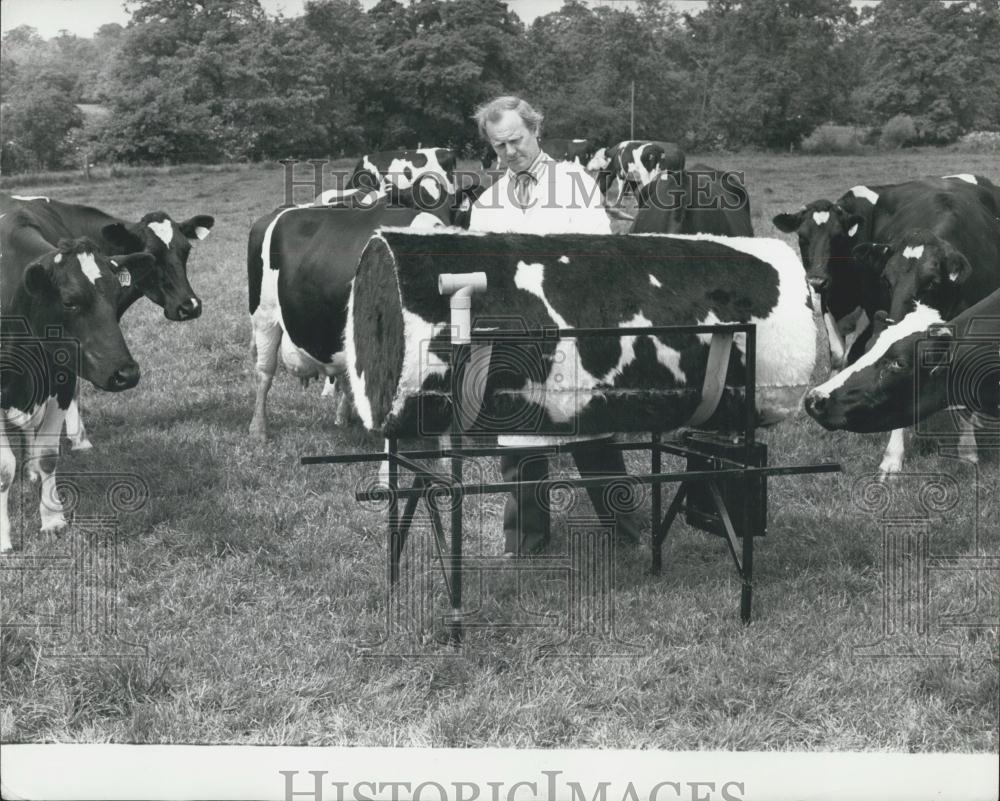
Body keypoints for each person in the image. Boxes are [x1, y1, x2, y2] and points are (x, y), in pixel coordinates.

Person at [468, 95, 642, 557]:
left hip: (574, 329)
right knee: (519, 435)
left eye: (516, 141)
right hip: (516, 336)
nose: (509, 152)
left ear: (535, 130)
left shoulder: (575, 184)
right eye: (498, 145)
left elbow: (600, 260)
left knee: (592, 431)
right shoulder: (486, 203)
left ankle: (625, 532)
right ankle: (525, 541)